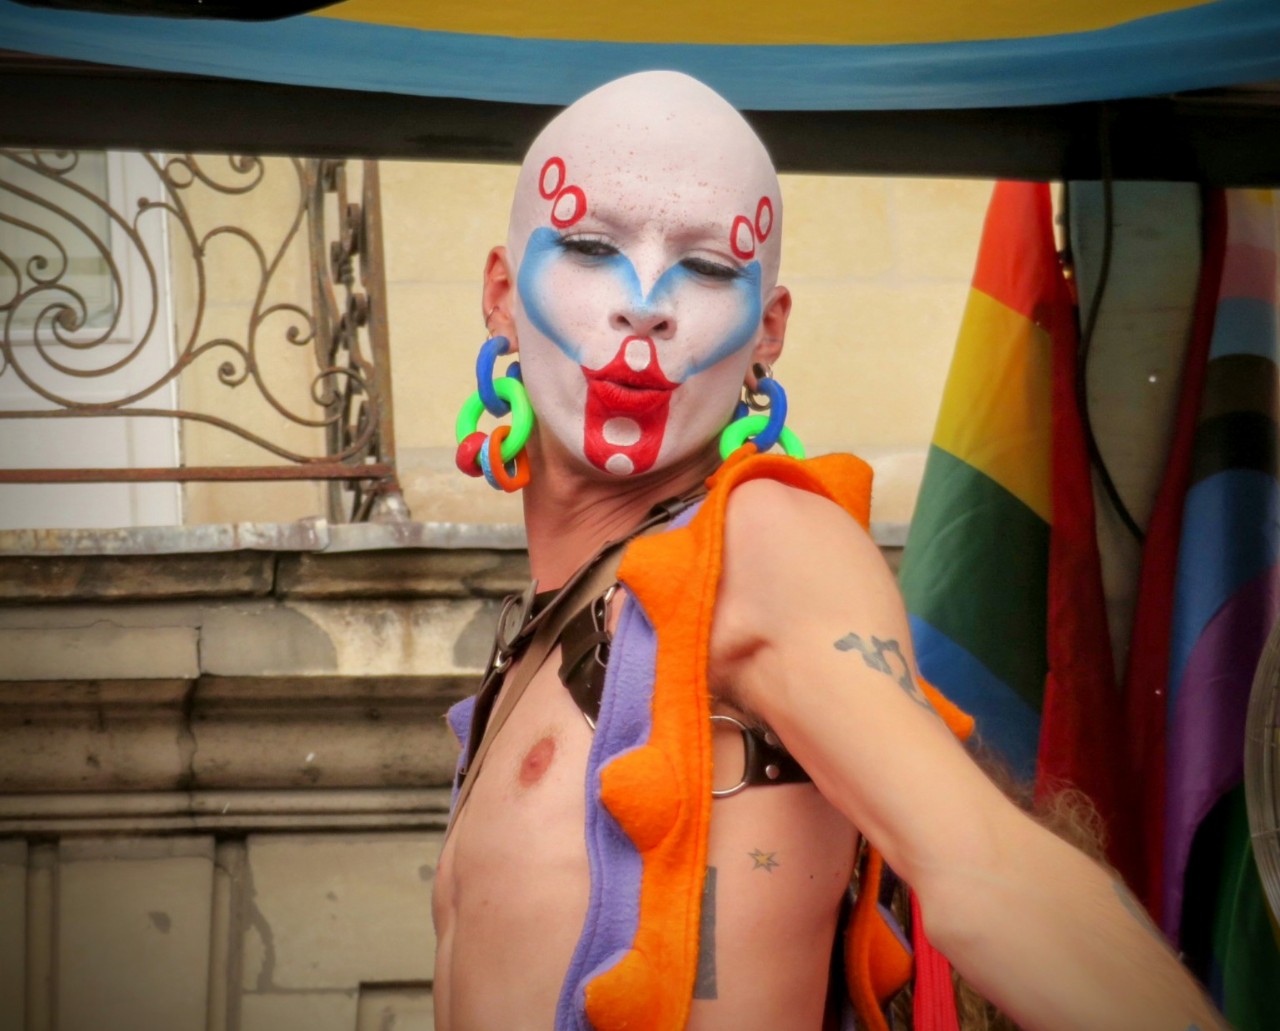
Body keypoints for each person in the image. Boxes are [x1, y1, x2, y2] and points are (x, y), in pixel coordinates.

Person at [431, 70, 1225, 1031]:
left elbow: (990, 870)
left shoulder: (760, 541)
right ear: (501, 295)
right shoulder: (544, 630)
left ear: (769, 330)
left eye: (708, 267)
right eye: (594, 247)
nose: (646, 305)